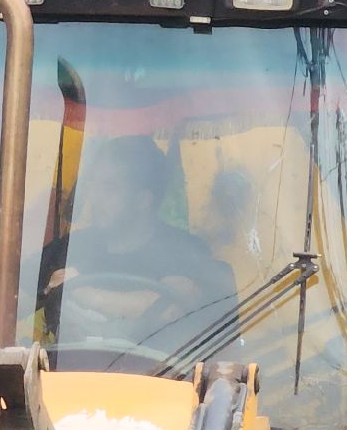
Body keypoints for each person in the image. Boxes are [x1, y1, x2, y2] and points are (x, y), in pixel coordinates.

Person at [35, 135, 237, 349]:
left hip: (162, 378)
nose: (94, 198)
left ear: (143, 200)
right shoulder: (70, 249)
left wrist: (85, 294)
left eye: (110, 189)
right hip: (68, 377)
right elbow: (13, 293)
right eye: (93, 186)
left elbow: (171, 307)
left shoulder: (185, 252)